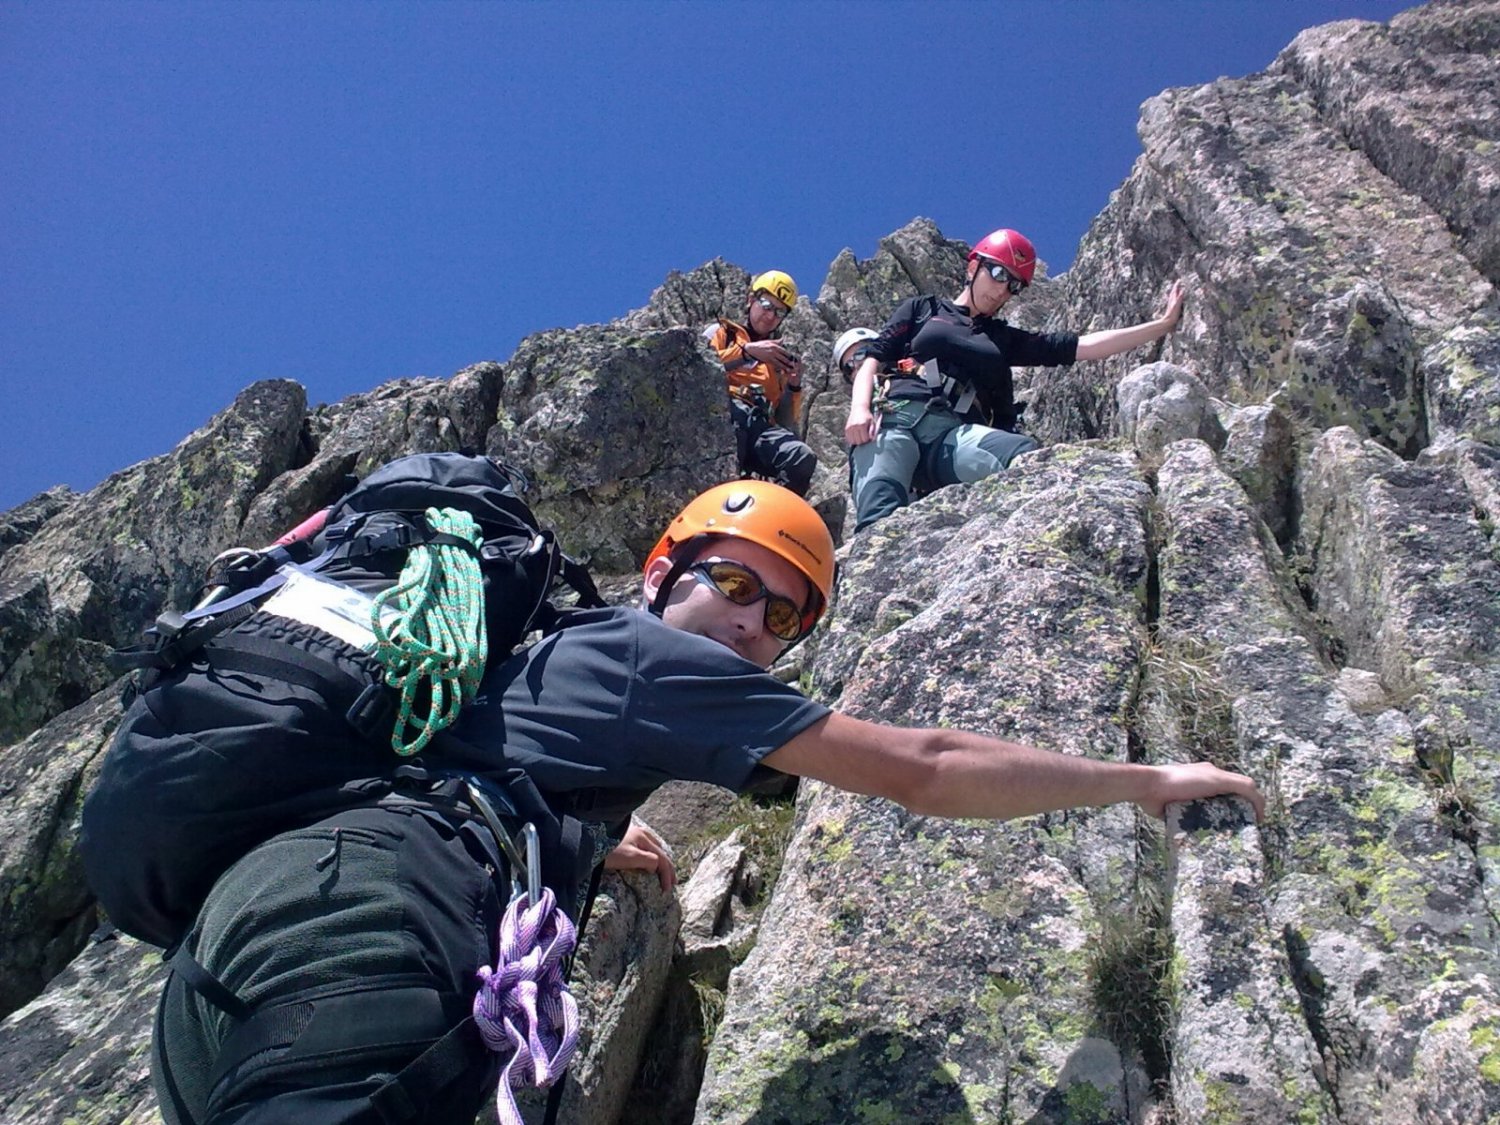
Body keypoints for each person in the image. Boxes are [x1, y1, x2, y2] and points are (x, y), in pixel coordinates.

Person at [146, 480, 1261, 1124]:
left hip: (244, 955)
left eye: (785, 619)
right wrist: (1145, 780)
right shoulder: (645, 658)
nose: (751, 626)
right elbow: (923, 765)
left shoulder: (552, 654)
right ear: (662, 569)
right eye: (734, 583)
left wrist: (580, 838)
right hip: (368, 930)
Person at [844, 228, 1187, 532]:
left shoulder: (1002, 339)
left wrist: (1161, 325)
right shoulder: (924, 309)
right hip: (893, 420)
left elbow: (1083, 346)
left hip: (950, 436)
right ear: (972, 265)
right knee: (878, 518)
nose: (1002, 291)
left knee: (1025, 458)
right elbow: (874, 357)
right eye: (997, 273)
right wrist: (859, 408)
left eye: (1014, 286)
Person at [706, 270, 817, 496]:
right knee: (734, 430)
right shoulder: (722, 334)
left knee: (800, 456)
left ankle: (775, 514)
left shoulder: (776, 361)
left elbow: (785, 422)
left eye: (779, 312)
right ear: (751, 300)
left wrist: (794, 385)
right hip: (724, 416)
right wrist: (746, 352)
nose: (770, 316)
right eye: (767, 305)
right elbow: (698, 369)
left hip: (760, 426)